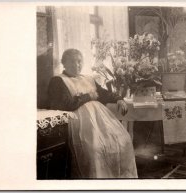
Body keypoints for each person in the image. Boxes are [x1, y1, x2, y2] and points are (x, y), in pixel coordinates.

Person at [47, 49, 138, 178]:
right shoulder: (58, 81)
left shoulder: (88, 79)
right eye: (72, 61)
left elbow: (103, 93)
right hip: (79, 120)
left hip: (100, 118)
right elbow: (64, 105)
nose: (77, 65)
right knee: (94, 148)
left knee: (124, 140)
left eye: (79, 61)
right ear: (64, 63)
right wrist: (88, 96)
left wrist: (119, 99)